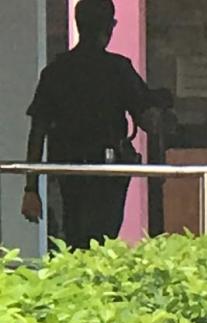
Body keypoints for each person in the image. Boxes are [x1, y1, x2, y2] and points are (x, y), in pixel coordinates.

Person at [22, 0, 160, 250]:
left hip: (66, 170)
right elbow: (149, 121)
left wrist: (30, 188)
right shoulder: (118, 69)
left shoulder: (55, 71)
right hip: (107, 171)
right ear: (109, 26)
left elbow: (37, 131)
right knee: (102, 245)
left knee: (70, 243)